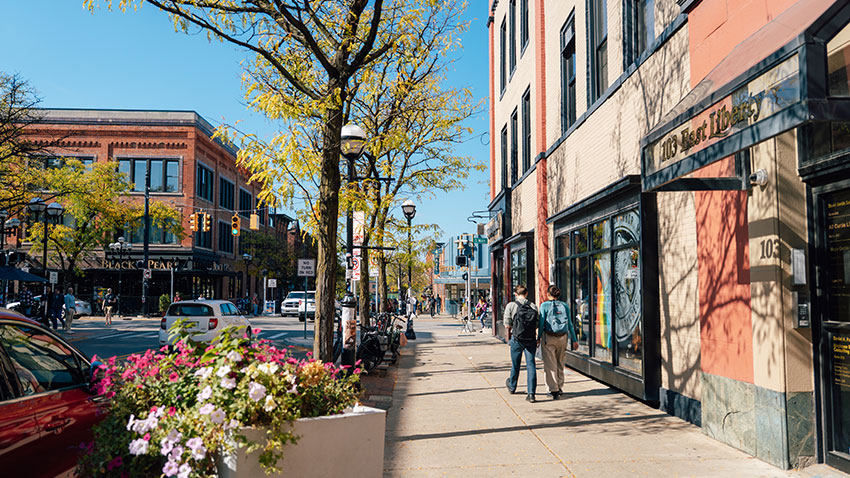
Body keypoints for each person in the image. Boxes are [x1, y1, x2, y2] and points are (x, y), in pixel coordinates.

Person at [538, 285, 578, 400]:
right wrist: (574, 340)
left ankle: (553, 389)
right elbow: (570, 324)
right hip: (563, 338)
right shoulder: (564, 305)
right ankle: (560, 386)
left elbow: (541, 323)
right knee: (560, 362)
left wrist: (538, 337)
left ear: (548, 294)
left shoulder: (544, 305)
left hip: (549, 337)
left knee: (550, 364)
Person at [504, 285, 539, 403]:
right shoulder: (533, 306)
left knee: (515, 364)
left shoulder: (511, 306)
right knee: (531, 365)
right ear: (527, 293)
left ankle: (512, 386)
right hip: (530, 339)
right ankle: (531, 394)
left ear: (515, 294)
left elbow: (507, 325)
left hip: (517, 339)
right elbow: (537, 323)